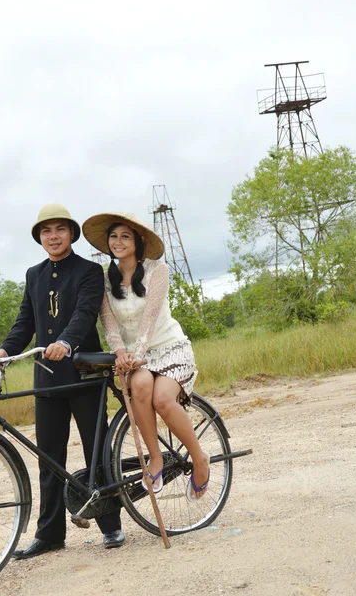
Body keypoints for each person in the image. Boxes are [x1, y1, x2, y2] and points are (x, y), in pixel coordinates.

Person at [0, 203, 124, 559]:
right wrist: (4, 350)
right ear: (39, 238)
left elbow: (84, 314)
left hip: (83, 373)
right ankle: (50, 534)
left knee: (97, 450)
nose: (53, 236)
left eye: (60, 229)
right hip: (47, 378)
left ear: (71, 234)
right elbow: (25, 322)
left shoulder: (89, 270)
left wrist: (65, 342)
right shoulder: (33, 274)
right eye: (46, 231)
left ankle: (111, 525)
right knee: (49, 457)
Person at [82, 212, 210, 501]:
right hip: (133, 356)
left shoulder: (157, 270)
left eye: (125, 236)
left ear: (138, 242)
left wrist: (137, 353)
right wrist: (120, 353)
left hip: (169, 349)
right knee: (139, 386)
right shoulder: (105, 279)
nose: (118, 242)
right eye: (113, 236)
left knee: (162, 399)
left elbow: (150, 319)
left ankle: (199, 457)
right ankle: (155, 459)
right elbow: (109, 323)